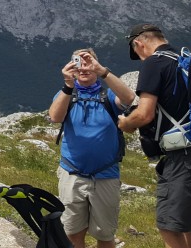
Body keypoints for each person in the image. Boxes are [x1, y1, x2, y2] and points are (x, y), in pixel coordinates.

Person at [116, 23, 191, 248]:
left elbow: (144, 114)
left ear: (139, 43)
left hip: (182, 156)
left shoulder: (154, 62)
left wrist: (126, 123)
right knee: (185, 221)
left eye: (137, 53)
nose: (140, 58)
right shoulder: (185, 61)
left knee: (168, 225)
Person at [48, 48, 135, 248]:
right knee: (72, 233)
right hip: (72, 173)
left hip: (106, 175)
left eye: (88, 62)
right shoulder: (66, 94)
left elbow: (129, 98)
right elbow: (55, 117)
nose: (84, 67)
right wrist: (68, 85)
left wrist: (103, 71)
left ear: (96, 66)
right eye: (78, 62)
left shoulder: (108, 95)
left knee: (105, 236)